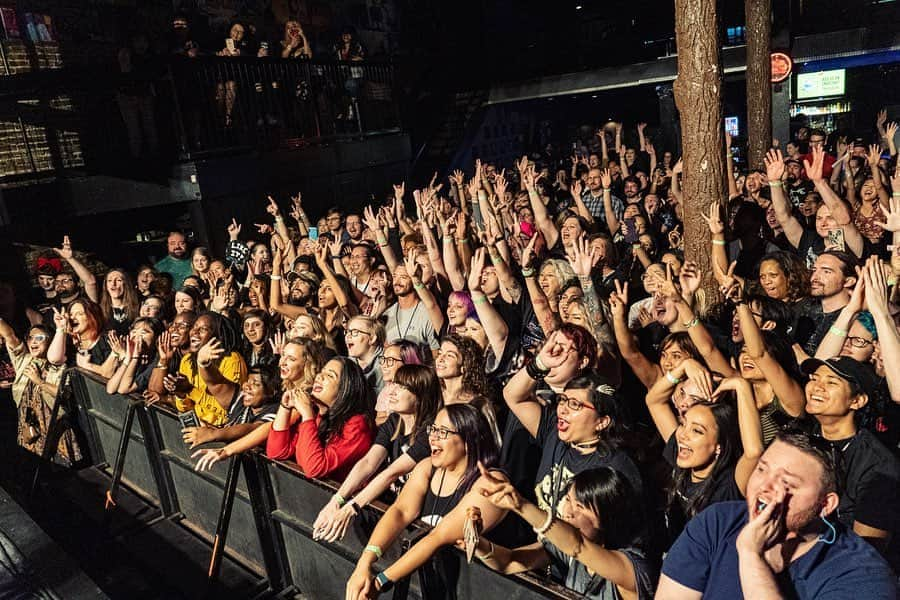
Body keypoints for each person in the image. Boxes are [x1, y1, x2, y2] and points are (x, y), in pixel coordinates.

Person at [656, 431, 896, 599]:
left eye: (787, 482)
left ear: (825, 504)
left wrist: (751, 556)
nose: (765, 486)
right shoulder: (718, 522)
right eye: (762, 469)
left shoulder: (861, 574)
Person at [345, 404, 507, 600]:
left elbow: (438, 536)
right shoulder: (427, 468)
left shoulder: (491, 483)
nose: (433, 437)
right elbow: (400, 512)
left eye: (443, 432)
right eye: (433, 429)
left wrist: (380, 581)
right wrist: (365, 562)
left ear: (468, 441)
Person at [474, 467, 657, 599]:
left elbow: (578, 546)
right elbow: (510, 562)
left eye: (580, 507)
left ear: (609, 518)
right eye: (568, 499)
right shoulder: (564, 547)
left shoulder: (633, 567)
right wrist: (477, 544)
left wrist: (521, 506)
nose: (568, 511)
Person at [311, 363, 442, 542]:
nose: (393, 391)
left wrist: (351, 508)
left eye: (403, 387)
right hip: (394, 507)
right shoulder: (395, 421)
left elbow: (393, 472)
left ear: (420, 396)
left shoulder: (430, 432)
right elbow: (368, 463)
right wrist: (337, 500)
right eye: (395, 384)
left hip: (419, 517)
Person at [266, 356, 374, 480]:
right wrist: (285, 408)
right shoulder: (317, 415)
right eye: (321, 371)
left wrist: (307, 415)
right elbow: (276, 452)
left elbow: (314, 468)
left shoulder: (357, 425)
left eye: (330, 375)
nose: (319, 377)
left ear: (345, 389)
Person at [0, 318, 81, 464]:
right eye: (30, 338)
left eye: (39, 338)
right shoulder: (24, 360)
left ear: (50, 341)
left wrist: (40, 382)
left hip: (55, 434)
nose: (33, 342)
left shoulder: (58, 366)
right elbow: (9, 335)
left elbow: (63, 394)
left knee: (59, 479)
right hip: (29, 434)